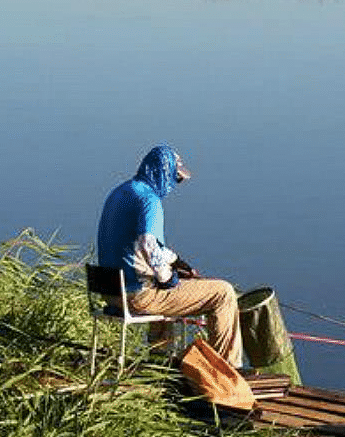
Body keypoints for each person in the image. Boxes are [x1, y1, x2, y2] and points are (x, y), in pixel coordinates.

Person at [96, 143, 244, 368]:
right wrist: (168, 278)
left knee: (162, 285)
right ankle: (228, 371)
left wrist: (177, 262)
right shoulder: (149, 200)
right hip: (137, 296)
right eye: (176, 178)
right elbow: (148, 243)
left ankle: (158, 363)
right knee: (223, 293)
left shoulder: (121, 192)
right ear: (163, 173)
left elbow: (139, 245)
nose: (176, 184)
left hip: (110, 291)